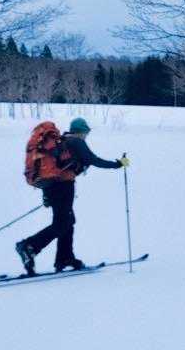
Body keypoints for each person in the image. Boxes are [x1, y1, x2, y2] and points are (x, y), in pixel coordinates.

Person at [16, 117, 128, 274]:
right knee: (63, 223)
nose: (86, 136)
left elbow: (55, 166)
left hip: (52, 186)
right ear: (81, 131)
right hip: (63, 186)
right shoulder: (76, 142)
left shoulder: (63, 141)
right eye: (86, 133)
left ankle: (64, 258)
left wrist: (47, 193)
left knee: (67, 221)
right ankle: (30, 246)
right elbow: (93, 160)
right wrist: (118, 164)